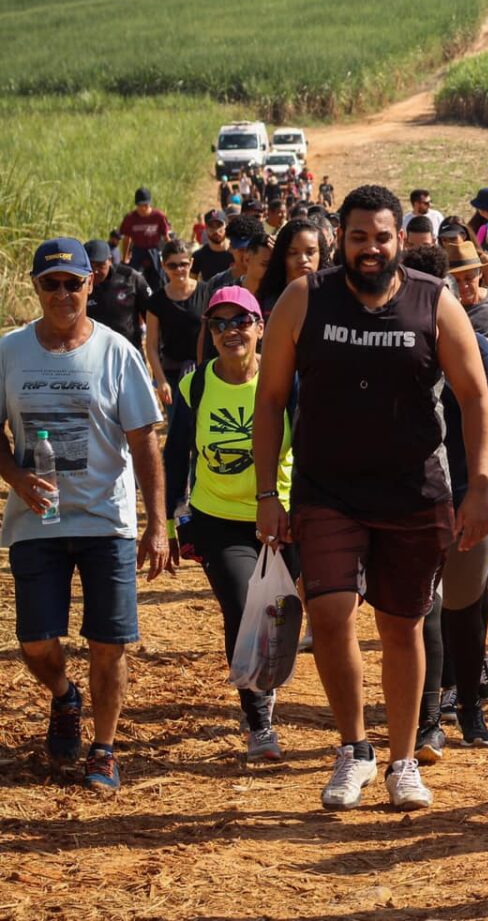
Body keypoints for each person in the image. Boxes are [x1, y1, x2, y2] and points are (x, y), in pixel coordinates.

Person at [252, 185, 488, 813]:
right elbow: (270, 400)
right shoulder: (305, 298)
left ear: (398, 241)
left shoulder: (434, 300)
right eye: (358, 237)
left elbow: (475, 397)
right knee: (331, 613)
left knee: (401, 625)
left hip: (413, 492)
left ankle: (403, 761)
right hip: (326, 490)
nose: (370, 248)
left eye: (382, 237)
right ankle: (354, 748)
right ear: (341, 238)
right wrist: (266, 494)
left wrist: (480, 486)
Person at [1, 238, 168, 795]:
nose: (62, 294)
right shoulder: (9, 352)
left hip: (106, 520)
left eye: (72, 283)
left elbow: (144, 442)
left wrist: (157, 523)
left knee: (108, 643)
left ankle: (104, 748)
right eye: (51, 284)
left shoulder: (116, 352)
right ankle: (64, 696)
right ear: (36, 287)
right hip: (37, 521)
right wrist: (16, 478)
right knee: (35, 641)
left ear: (90, 285)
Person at [164, 285, 295, 763]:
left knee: (285, 612)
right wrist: (169, 521)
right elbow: (175, 455)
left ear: (260, 327)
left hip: (283, 517)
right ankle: (258, 721)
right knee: (241, 611)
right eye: (218, 324)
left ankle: (268, 678)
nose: (229, 331)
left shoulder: (286, 381)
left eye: (240, 321)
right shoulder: (195, 385)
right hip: (218, 518)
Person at [398, 245, 488, 754]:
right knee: (424, 607)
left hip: (471, 493)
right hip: (414, 497)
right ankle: (427, 722)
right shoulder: (395, 347)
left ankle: (468, 705)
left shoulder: (477, 347)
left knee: (463, 606)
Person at [144, 241, 202, 408]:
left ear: (191, 263)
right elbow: (151, 345)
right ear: (163, 266)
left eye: (183, 264)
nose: (179, 270)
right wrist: (161, 381)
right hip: (172, 374)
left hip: (203, 372)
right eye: (172, 265)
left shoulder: (206, 292)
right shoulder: (156, 301)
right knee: (177, 423)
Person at [84, 239, 150, 356]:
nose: (95, 271)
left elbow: (152, 316)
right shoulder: (75, 285)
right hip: (93, 355)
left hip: (128, 353)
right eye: (89, 266)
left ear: (110, 260)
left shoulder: (131, 278)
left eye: (100, 265)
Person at [256, 217, 323, 316]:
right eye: (293, 253)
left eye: (310, 252)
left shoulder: (332, 297)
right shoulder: (269, 302)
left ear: (321, 253)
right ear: (282, 256)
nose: (303, 260)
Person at [197, 215, 273, 298]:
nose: (246, 255)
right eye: (241, 250)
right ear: (230, 248)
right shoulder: (216, 285)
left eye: (251, 249)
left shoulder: (274, 283)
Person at [118, 187, 172, 289]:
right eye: (140, 206)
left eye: (146, 205)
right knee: (133, 277)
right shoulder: (130, 218)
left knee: (159, 278)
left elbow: (166, 237)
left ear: (150, 204)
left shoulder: (159, 216)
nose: (143, 209)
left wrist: (172, 253)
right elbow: (127, 239)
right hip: (138, 250)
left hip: (154, 250)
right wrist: (125, 257)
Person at [192, 212, 234, 281]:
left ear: (226, 226)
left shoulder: (237, 252)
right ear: (205, 228)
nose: (216, 231)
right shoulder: (198, 256)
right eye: (211, 226)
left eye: (219, 226)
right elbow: (191, 283)